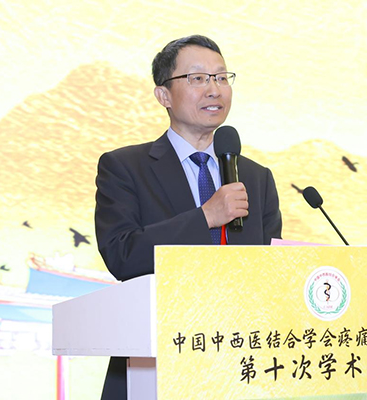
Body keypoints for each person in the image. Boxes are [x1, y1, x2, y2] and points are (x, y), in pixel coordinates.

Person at [94, 35, 282, 399]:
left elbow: (269, 272)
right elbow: (122, 254)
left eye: (222, 77)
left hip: (237, 366)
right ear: (163, 95)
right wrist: (206, 217)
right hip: (154, 363)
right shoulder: (124, 167)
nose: (214, 89)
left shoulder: (257, 177)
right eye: (197, 78)